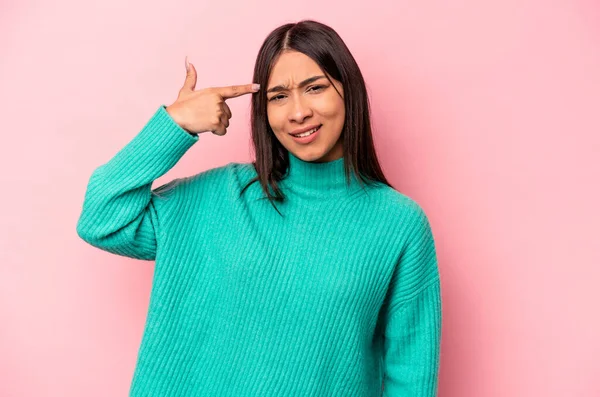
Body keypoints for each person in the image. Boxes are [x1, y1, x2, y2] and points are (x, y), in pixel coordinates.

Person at [76, 19, 442, 397]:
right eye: (278, 96)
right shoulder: (220, 195)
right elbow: (101, 218)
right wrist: (175, 124)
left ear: (348, 91)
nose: (298, 112)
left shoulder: (398, 224)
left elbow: (411, 377)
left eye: (314, 88)